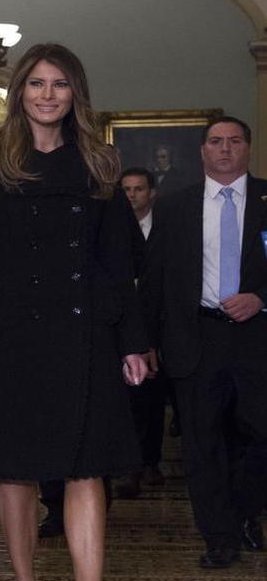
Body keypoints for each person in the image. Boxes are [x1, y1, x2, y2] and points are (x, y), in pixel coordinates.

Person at [0, 42, 149, 581]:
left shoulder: (98, 161)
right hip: (9, 333)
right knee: (16, 468)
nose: (47, 94)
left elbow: (116, 262)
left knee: (87, 468)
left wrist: (132, 341)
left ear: (75, 92)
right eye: (37, 83)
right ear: (20, 92)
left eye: (59, 84)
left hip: (85, 332)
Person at [139, 115, 267, 569]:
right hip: (196, 337)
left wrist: (261, 298)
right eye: (216, 142)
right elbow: (153, 279)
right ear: (203, 151)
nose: (226, 149)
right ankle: (220, 537)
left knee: (259, 436)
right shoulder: (175, 206)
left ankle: (247, 509)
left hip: (257, 336)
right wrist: (146, 340)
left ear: (248, 148)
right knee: (202, 444)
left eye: (235, 141)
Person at [114, 167, 168, 499]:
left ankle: (150, 460)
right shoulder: (112, 226)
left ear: (152, 193)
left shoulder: (166, 228)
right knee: (128, 401)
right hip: (120, 325)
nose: (132, 195)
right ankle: (129, 466)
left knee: (152, 399)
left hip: (158, 327)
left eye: (138, 189)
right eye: (127, 189)